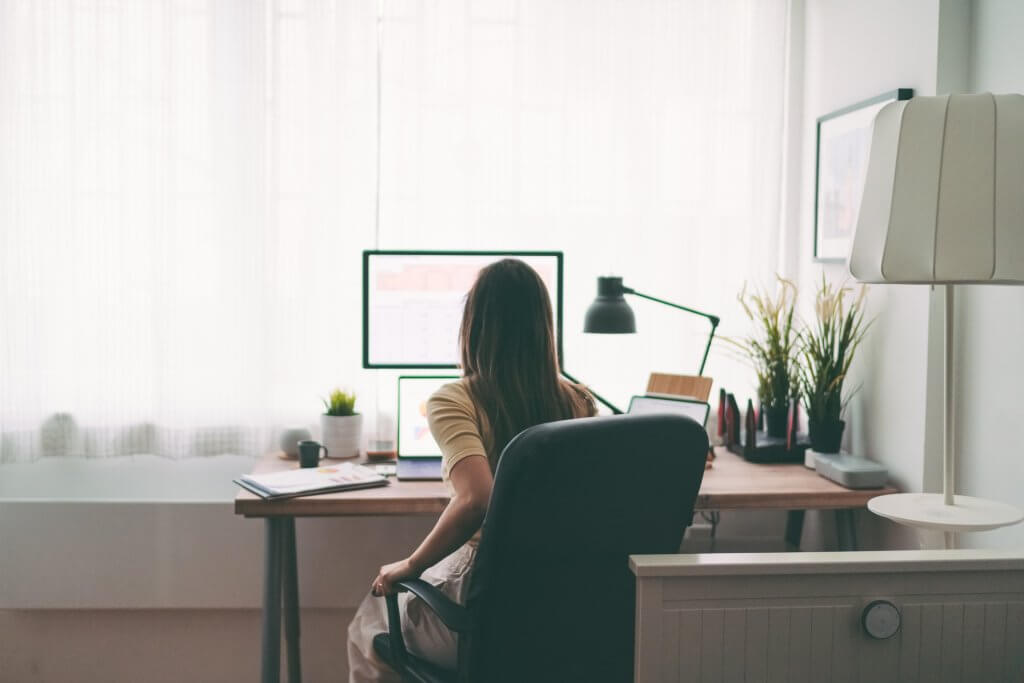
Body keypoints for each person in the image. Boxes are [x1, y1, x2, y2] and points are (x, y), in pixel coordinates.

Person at [347, 258, 596, 682]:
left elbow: (477, 498)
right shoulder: (579, 400)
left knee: (367, 623)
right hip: (564, 609)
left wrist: (410, 565)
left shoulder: (453, 400)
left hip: (491, 601)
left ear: (475, 325)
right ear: (544, 326)